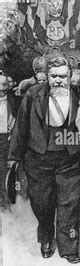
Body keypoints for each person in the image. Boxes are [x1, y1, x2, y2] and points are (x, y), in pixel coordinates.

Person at [7, 56, 80, 264]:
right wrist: (13, 158)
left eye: (63, 76)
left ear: (70, 76)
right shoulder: (33, 94)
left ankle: (68, 247)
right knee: (42, 204)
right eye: (54, 76)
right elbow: (21, 128)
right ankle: (46, 236)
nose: (58, 81)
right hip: (38, 161)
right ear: (46, 76)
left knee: (69, 205)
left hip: (70, 161)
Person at [0, 73, 18, 209]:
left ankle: (6, 204)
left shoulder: (15, 101)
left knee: (6, 172)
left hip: (7, 140)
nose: (2, 88)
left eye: (4, 85)